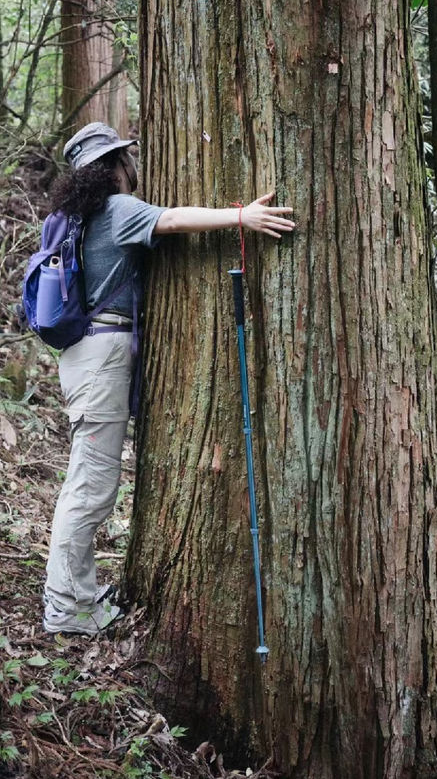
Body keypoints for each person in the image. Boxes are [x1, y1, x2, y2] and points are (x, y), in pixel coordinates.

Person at [42, 122, 295, 636]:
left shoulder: (73, 218)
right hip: (100, 357)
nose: (132, 167)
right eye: (125, 159)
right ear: (115, 167)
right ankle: (66, 609)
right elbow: (174, 219)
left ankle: (75, 596)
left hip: (85, 355)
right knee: (89, 488)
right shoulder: (116, 210)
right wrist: (241, 215)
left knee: (88, 483)